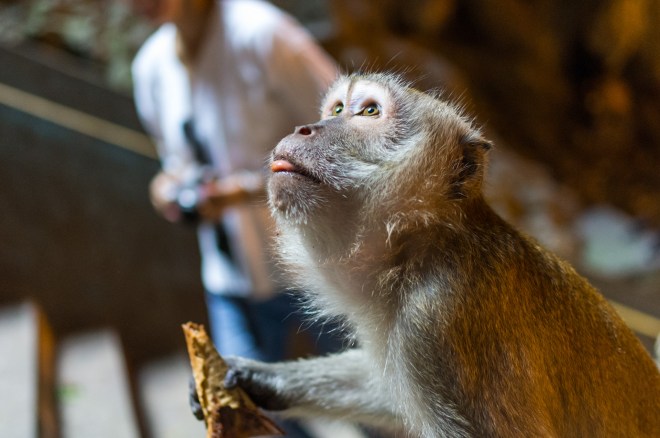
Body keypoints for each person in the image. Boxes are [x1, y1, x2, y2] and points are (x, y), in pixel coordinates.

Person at [130, 1, 344, 435]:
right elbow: (173, 163)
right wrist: (167, 190)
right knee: (252, 418)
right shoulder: (150, 67)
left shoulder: (264, 35)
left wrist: (247, 189)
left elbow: (349, 133)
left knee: (383, 409)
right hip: (233, 277)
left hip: (325, 268)